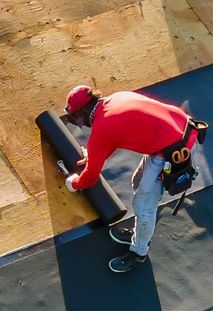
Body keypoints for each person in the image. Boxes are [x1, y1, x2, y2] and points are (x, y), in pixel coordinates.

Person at [61, 85, 205, 273]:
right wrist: (95, 155)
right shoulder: (116, 98)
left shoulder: (102, 127)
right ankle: (140, 234)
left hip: (175, 150)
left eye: (74, 118)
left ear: (82, 111)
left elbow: (89, 178)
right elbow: (113, 139)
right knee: (138, 182)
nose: (77, 124)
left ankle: (139, 252)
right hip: (182, 129)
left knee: (143, 207)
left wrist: (73, 183)